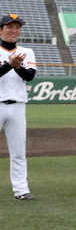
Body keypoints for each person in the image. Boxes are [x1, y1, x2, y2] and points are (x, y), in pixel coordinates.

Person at [0, 13, 37, 200]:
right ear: (1, 30)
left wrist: (16, 66)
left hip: (18, 105)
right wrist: (9, 64)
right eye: (9, 27)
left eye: (17, 27)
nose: (14, 30)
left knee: (18, 151)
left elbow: (29, 76)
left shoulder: (26, 51)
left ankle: (21, 189)